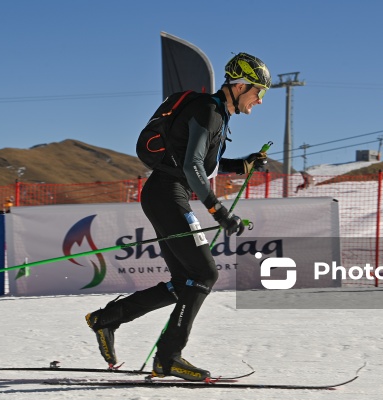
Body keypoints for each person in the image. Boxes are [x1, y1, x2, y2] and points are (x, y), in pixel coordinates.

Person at [85, 52, 271, 381]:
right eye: (259, 91)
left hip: (168, 193)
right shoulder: (208, 110)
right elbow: (191, 167)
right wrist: (218, 210)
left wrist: (245, 164)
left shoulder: (217, 114)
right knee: (204, 274)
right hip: (168, 194)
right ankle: (169, 357)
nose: (260, 100)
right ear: (241, 86)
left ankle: (108, 318)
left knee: (184, 282)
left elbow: (202, 163)